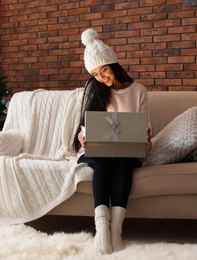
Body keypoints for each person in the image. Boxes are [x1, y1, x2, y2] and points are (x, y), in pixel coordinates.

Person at [73, 28, 152, 254]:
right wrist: (85, 136)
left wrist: (145, 135)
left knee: (122, 161)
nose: (101, 78)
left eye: (104, 70)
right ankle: (102, 228)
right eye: (95, 74)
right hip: (98, 152)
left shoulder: (138, 91)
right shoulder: (94, 89)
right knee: (105, 159)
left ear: (114, 64)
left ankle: (116, 228)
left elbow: (146, 127)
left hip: (127, 153)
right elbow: (81, 129)